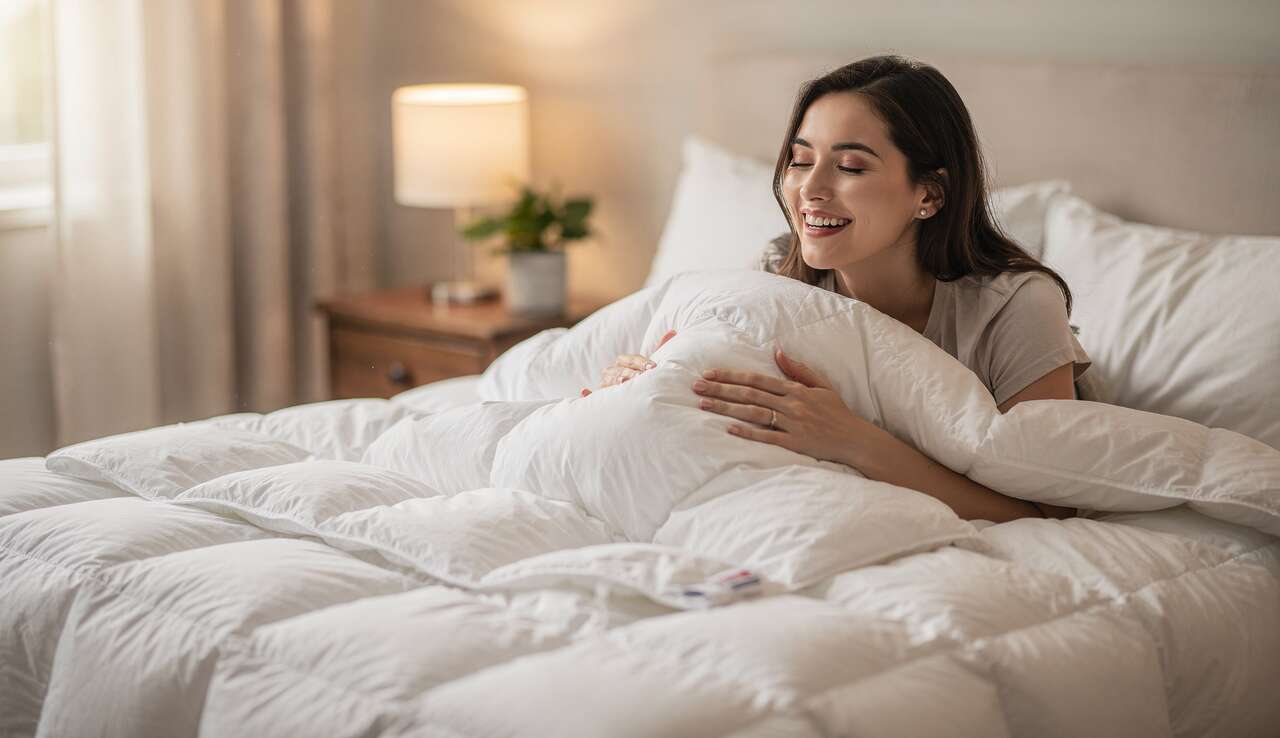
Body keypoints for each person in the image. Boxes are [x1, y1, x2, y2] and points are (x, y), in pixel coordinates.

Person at [594, 55, 1093, 523]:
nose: (811, 189)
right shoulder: (778, 273)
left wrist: (855, 441)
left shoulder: (1015, 306)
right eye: (800, 160)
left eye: (850, 166)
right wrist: (648, 380)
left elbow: (1046, 512)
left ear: (929, 193)